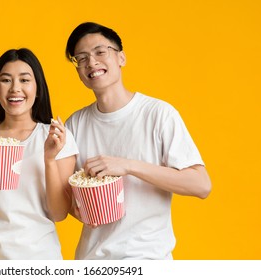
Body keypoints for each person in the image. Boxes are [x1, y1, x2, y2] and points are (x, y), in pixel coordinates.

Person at [62, 22, 212, 259]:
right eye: (81, 58)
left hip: (148, 259)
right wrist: (76, 207)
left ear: (121, 58)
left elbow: (201, 185)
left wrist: (129, 166)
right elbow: (64, 198)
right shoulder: (74, 125)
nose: (91, 62)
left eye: (100, 52)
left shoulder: (158, 114)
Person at [0, 48, 78, 259]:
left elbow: (59, 213)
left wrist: (49, 159)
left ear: (38, 89)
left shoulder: (55, 136)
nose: (15, 89)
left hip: (40, 259)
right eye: (6, 80)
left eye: (25, 80)